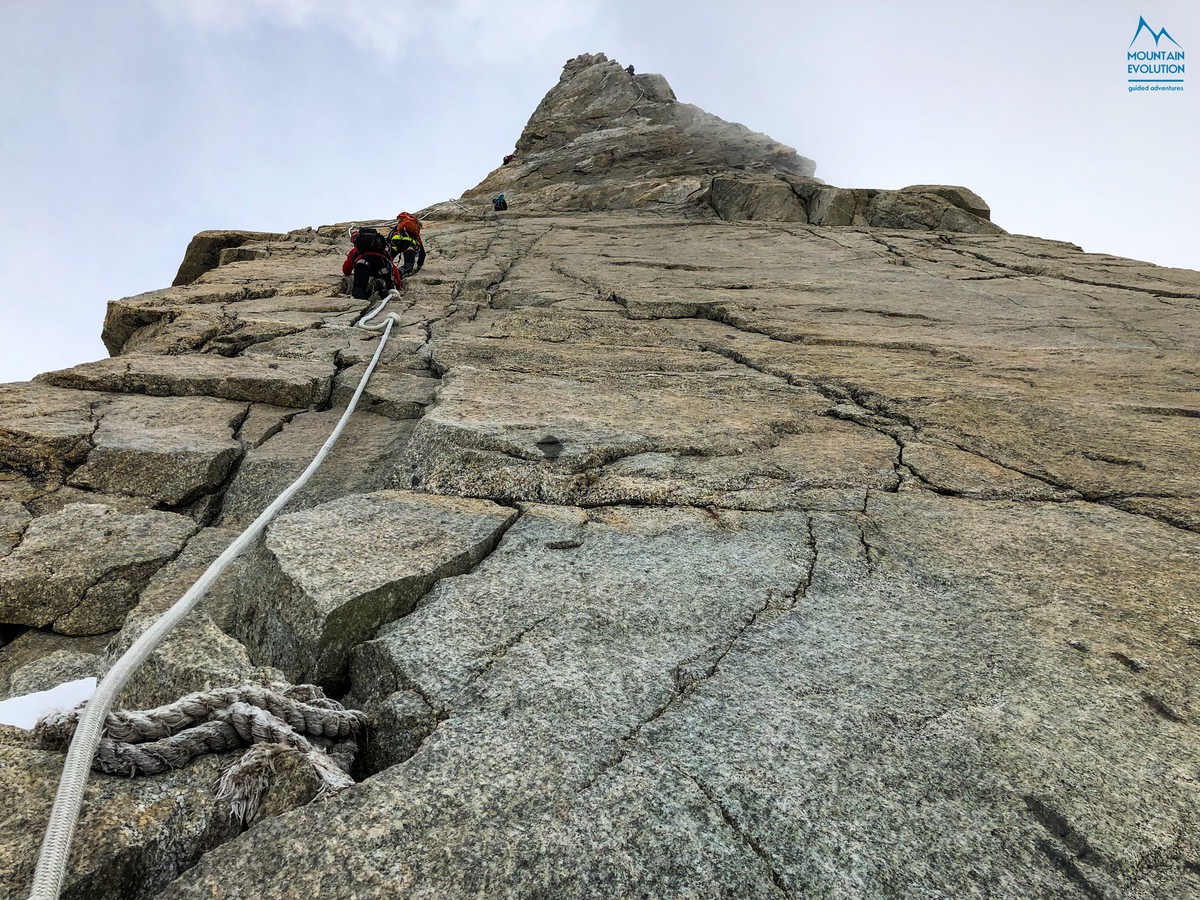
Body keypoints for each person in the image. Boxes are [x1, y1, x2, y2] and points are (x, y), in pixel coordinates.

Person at [342, 227, 402, 300]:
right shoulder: (383, 250)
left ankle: (360, 300)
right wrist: (398, 285)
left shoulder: (356, 250)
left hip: (363, 264)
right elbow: (393, 268)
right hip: (381, 264)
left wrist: (348, 272)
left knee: (359, 287)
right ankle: (386, 286)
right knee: (387, 281)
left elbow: (346, 268)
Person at [387, 212, 425, 277]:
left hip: (395, 241)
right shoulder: (414, 232)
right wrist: (419, 267)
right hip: (409, 243)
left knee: (387, 260)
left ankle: (383, 274)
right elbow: (422, 253)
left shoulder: (399, 227)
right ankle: (398, 273)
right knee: (409, 264)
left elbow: (390, 236)